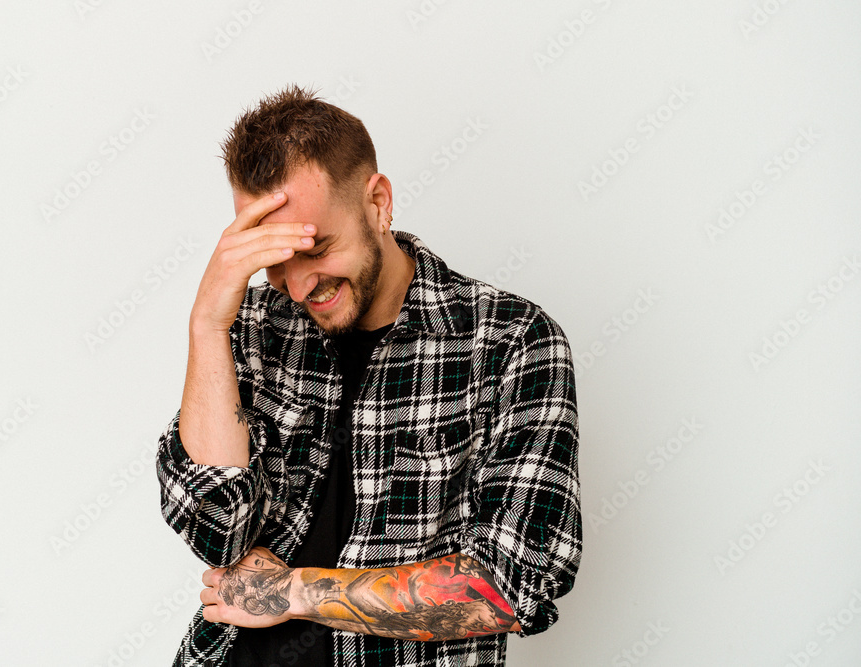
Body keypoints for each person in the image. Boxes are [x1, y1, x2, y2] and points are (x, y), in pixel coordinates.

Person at [155, 84, 582, 667]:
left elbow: (510, 586)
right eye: (273, 262)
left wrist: (294, 592)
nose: (298, 287)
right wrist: (206, 325)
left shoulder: (511, 341)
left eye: (316, 249)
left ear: (378, 203)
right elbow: (217, 531)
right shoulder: (249, 325)